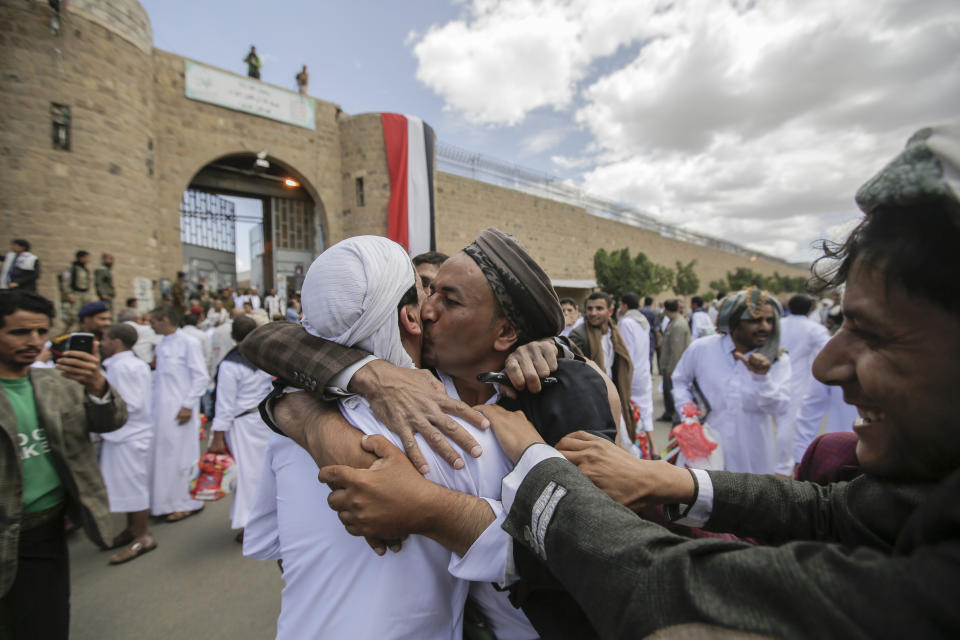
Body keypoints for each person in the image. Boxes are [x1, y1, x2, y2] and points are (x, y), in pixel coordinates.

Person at [325, 122, 960, 638]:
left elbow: (657, 579)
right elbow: (833, 509)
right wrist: (673, 478)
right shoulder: (403, 379)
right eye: (424, 292)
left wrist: (530, 470)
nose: (825, 365)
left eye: (877, 336)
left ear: (504, 335)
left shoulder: (554, 389)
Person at [241, 229, 618, 638]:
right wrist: (358, 381)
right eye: (427, 292)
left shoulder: (294, 417)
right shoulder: (462, 429)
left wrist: (302, 414)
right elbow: (544, 545)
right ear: (407, 317)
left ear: (506, 333)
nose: (429, 310)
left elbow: (594, 543)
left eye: (448, 299)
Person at [0, 289, 127, 639]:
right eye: (19, 332)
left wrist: (97, 384)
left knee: (46, 623)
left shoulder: (55, 383)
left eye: (41, 332)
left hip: (45, 534)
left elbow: (109, 422)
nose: (34, 341)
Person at [672, 288, 792, 474]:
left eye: (769, 321)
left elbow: (780, 408)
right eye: (755, 320)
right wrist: (688, 415)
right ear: (735, 321)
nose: (765, 327)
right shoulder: (702, 348)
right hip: (702, 453)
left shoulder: (777, 361)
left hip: (752, 461)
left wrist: (761, 378)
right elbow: (679, 380)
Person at [207, 315, 272, 540]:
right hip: (263, 420)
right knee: (265, 472)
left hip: (243, 425)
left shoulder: (230, 364)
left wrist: (217, 437)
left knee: (246, 476)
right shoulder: (263, 356)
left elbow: (224, 404)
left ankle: (252, 524)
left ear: (232, 335)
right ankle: (270, 517)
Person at [99, 323, 156, 564]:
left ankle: (142, 536)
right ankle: (132, 528)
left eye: (104, 338)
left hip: (128, 434)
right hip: (128, 434)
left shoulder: (122, 367)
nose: (101, 343)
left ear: (117, 342)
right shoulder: (132, 363)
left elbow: (132, 403)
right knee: (126, 485)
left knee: (133, 486)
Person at [148, 304, 209, 522]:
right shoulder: (161, 345)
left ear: (164, 319)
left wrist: (188, 404)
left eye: (153, 321)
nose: (151, 326)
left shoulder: (188, 343)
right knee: (164, 459)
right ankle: (164, 502)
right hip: (161, 410)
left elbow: (201, 376)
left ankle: (187, 502)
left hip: (181, 409)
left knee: (183, 458)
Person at [568, 291, 634, 440]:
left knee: (624, 442)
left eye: (599, 308)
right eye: (590, 309)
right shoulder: (578, 336)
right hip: (594, 402)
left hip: (615, 397)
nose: (593, 313)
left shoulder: (614, 333)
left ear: (610, 311)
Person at [778, 294, 830, 471]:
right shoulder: (814, 329)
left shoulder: (778, 324)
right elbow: (829, 348)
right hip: (797, 379)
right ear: (810, 309)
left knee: (777, 419)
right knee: (789, 420)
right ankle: (784, 465)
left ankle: (781, 460)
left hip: (774, 374)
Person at [615, 292, 656, 457]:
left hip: (633, 374)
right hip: (645, 371)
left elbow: (626, 352)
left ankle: (636, 450)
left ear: (624, 306)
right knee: (646, 410)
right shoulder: (643, 321)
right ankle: (653, 447)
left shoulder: (626, 322)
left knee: (631, 412)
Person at [658, 299, 689, 424]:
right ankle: (669, 413)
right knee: (667, 391)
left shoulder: (678, 325)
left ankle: (673, 415)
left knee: (672, 392)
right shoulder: (674, 322)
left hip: (673, 367)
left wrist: (671, 370)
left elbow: (676, 350)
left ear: (666, 310)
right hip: (669, 365)